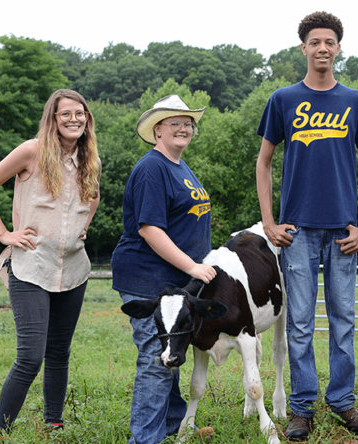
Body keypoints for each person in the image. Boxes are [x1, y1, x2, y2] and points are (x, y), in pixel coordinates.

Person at [254, 11, 358, 442]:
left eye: (330, 42)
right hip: (299, 231)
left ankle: (343, 401)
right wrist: (270, 221)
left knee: (344, 320)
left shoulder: (355, 101)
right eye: (315, 42)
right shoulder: (283, 99)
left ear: (338, 48)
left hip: (344, 231)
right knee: (300, 323)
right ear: (303, 48)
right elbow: (265, 162)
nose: (322, 48)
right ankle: (302, 408)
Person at [0, 89, 101, 438]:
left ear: (87, 118)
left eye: (80, 113)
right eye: (66, 114)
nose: (74, 119)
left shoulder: (89, 159)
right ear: (53, 119)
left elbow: (93, 197)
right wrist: (4, 234)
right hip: (31, 266)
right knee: (30, 356)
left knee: (59, 352)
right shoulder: (31, 151)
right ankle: (0, 433)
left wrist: (82, 228)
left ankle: (53, 424)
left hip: (74, 269)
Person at [111, 95, 216, 444]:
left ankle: (172, 421)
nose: (185, 127)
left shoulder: (180, 166)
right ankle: (145, 439)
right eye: (176, 122)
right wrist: (193, 267)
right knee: (157, 359)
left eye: (189, 123)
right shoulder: (152, 169)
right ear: (157, 130)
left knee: (172, 348)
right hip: (148, 277)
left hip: (174, 281)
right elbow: (150, 229)